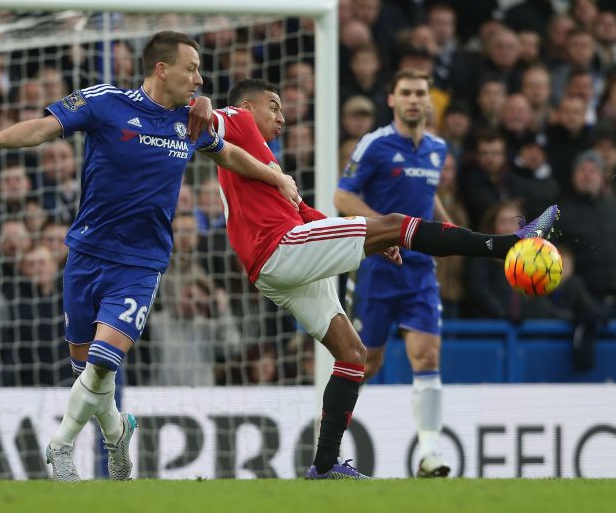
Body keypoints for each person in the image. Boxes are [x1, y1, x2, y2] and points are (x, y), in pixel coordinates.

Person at [0, 31, 299, 482]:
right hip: (86, 252)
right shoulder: (105, 102)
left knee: (101, 363)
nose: (198, 78)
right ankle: (118, 431)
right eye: (191, 68)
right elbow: (44, 127)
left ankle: (59, 448)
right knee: (88, 372)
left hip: (141, 263)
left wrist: (274, 177)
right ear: (161, 68)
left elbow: (229, 154)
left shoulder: (191, 122)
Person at [210, 76, 558, 480]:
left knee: (353, 354)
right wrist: (199, 106)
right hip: (279, 248)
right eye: (274, 106)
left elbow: (307, 215)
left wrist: (372, 239)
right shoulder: (238, 119)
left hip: (281, 262)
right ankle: (507, 245)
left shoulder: (265, 162)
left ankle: (324, 466)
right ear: (249, 107)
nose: (282, 117)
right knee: (392, 222)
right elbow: (208, 121)